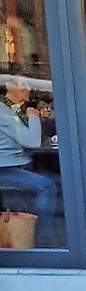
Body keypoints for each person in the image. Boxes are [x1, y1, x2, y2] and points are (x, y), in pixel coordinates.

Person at [0, 77, 57, 245]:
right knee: (47, 186)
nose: (28, 88)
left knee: (55, 180)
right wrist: (33, 117)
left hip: (16, 163)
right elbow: (32, 141)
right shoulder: (3, 111)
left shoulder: (10, 109)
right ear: (9, 86)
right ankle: (40, 241)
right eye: (22, 84)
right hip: (4, 167)